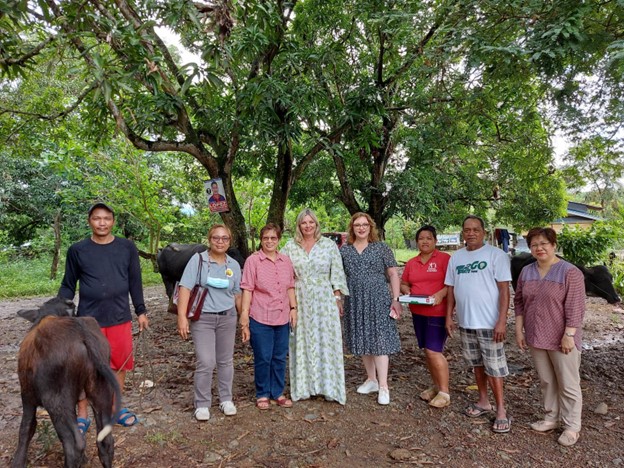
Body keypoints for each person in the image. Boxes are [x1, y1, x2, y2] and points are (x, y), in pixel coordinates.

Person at [59, 202, 148, 432]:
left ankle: (115, 409)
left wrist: (141, 310)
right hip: (88, 321)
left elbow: (135, 282)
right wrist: (59, 311)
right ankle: (82, 414)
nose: (102, 223)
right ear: (90, 221)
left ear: (113, 222)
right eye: (97, 218)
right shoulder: (77, 250)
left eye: (106, 218)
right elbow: (68, 285)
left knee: (119, 364)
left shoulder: (127, 248)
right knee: (84, 367)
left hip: (119, 317)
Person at [514, 227, 585, 447]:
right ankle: (551, 417)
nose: (539, 248)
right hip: (536, 335)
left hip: (562, 338)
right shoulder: (527, 272)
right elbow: (519, 302)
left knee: (568, 383)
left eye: (544, 243)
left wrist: (569, 334)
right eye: (534, 244)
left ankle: (572, 426)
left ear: (553, 245)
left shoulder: (569, 272)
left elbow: (576, 306)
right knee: (546, 380)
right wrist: (519, 330)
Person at [445, 215, 512, 433]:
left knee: (495, 367)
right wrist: (449, 316)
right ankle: (483, 401)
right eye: (467, 230)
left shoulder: (497, 255)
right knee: (477, 364)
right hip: (466, 321)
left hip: (490, 322)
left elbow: (504, 289)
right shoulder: (456, 258)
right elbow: (451, 289)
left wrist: (501, 320)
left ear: (483, 232)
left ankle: (501, 410)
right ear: (462, 232)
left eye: (475, 229)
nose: (471, 233)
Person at [281, 208, 349, 404]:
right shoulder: (290, 247)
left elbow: (336, 272)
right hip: (300, 299)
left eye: (311, 222)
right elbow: (284, 275)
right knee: (301, 341)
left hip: (324, 299)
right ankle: (304, 387)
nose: (308, 226)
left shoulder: (328, 246)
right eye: (304, 223)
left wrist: (337, 299)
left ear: (316, 224)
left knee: (325, 341)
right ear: (299, 226)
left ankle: (329, 388)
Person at [177, 224, 242, 421]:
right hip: (203, 318)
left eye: (224, 238)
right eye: (216, 238)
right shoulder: (198, 260)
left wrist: (244, 319)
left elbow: (237, 293)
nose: (220, 241)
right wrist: (182, 318)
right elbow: (185, 288)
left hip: (227, 317)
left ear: (229, 241)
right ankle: (202, 403)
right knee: (206, 361)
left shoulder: (234, 265)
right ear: (209, 239)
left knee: (225, 360)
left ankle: (226, 399)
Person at [340, 213, 402, 405]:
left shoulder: (381, 248)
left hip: (378, 299)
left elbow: (393, 273)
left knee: (380, 339)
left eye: (364, 224)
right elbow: (338, 277)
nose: (361, 228)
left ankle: (384, 386)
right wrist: (338, 298)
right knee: (362, 338)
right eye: (357, 225)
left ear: (370, 227)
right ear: (352, 228)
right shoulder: (345, 251)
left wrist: (396, 298)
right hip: (355, 300)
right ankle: (371, 379)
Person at [240, 223, 297, 410]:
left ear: (279, 240)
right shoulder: (253, 261)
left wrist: (293, 308)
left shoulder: (286, 261)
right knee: (263, 356)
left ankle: (277, 392)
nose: (270, 241)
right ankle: (262, 393)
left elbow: (290, 286)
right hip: (260, 315)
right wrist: (244, 316)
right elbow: (247, 289)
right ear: (261, 240)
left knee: (279, 356)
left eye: (273, 238)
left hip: (282, 317)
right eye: (266, 238)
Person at [400, 225, 451, 408]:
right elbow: (404, 283)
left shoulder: (445, 259)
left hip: (437, 313)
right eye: (421, 238)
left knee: (433, 351)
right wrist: (407, 291)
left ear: (435, 241)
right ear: (417, 241)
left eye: (429, 238)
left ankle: (445, 392)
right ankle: (436, 386)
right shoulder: (412, 263)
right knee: (427, 352)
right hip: (418, 312)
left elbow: (452, 284)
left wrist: (441, 294)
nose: (425, 241)